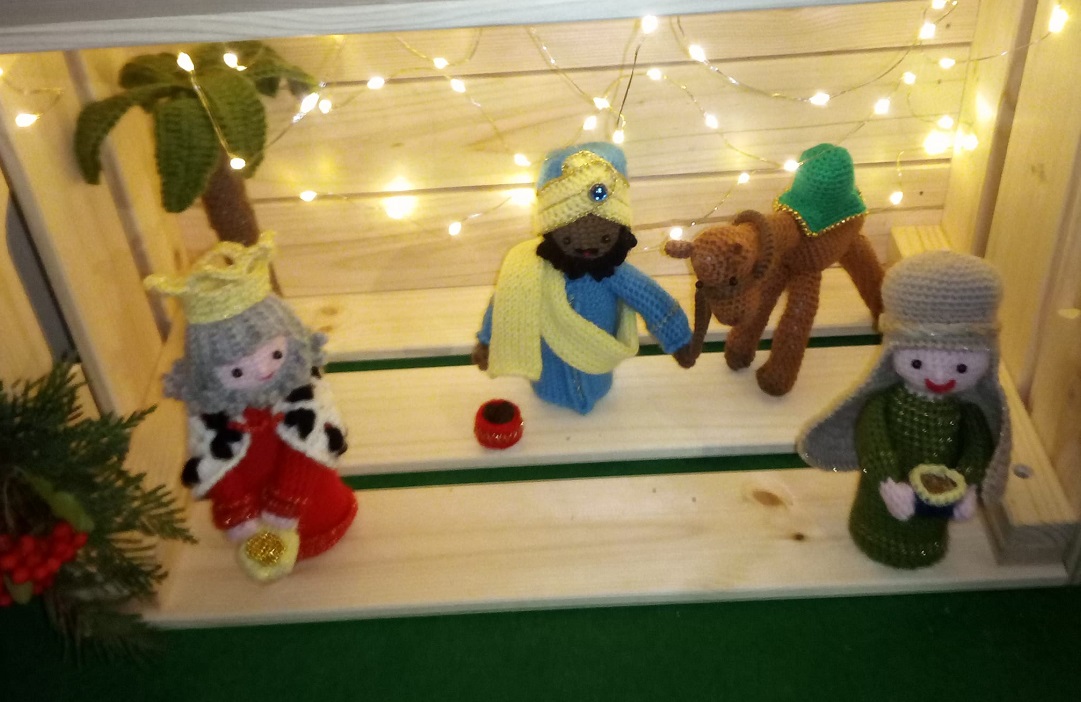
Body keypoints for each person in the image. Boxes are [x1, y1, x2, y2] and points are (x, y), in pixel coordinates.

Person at [146, 233, 356, 581]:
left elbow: (311, 448)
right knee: (264, 553)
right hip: (258, 525)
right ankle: (265, 552)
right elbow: (217, 466)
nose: (263, 371)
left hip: (319, 507)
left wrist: (282, 513)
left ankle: (297, 537)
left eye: (275, 354)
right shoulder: (211, 418)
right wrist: (242, 521)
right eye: (237, 371)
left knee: (319, 511)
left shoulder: (307, 393)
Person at [798, 251, 1011, 568]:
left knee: (926, 530)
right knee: (880, 515)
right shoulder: (884, 405)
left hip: (937, 509)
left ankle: (925, 546)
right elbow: (874, 444)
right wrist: (887, 482)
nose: (939, 377)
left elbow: (976, 451)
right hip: (878, 504)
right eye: (918, 362)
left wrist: (967, 485)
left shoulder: (967, 415)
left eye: (961, 366)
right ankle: (874, 531)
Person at [473, 142, 694, 414]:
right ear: (551, 229)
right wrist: (488, 339)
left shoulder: (614, 273)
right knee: (550, 365)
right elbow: (505, 302)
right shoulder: (529, 271)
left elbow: (651, 299)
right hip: (548, 373)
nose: (587, 247)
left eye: (605, 237)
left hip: (598, 373)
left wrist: (678, 337)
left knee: (594, 370)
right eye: (567, 238)